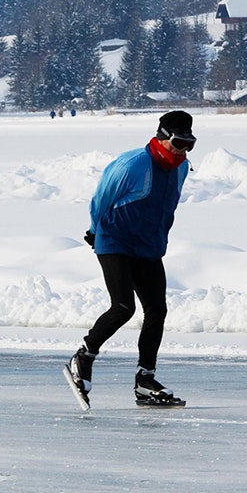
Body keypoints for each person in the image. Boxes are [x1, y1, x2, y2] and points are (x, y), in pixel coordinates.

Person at [64, 110, 195, 409]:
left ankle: (145, 380)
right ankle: (83, 356)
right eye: (178, 143)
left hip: (148, 245)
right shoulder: (132, 164)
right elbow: (101, 199)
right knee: (123, 307)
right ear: (162, 138)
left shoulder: (181, 168)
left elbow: (165, 205)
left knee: (157, 310)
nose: (182, 151)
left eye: (190, 144)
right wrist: (96, 232)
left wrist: (159, 237)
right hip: (114, 240)